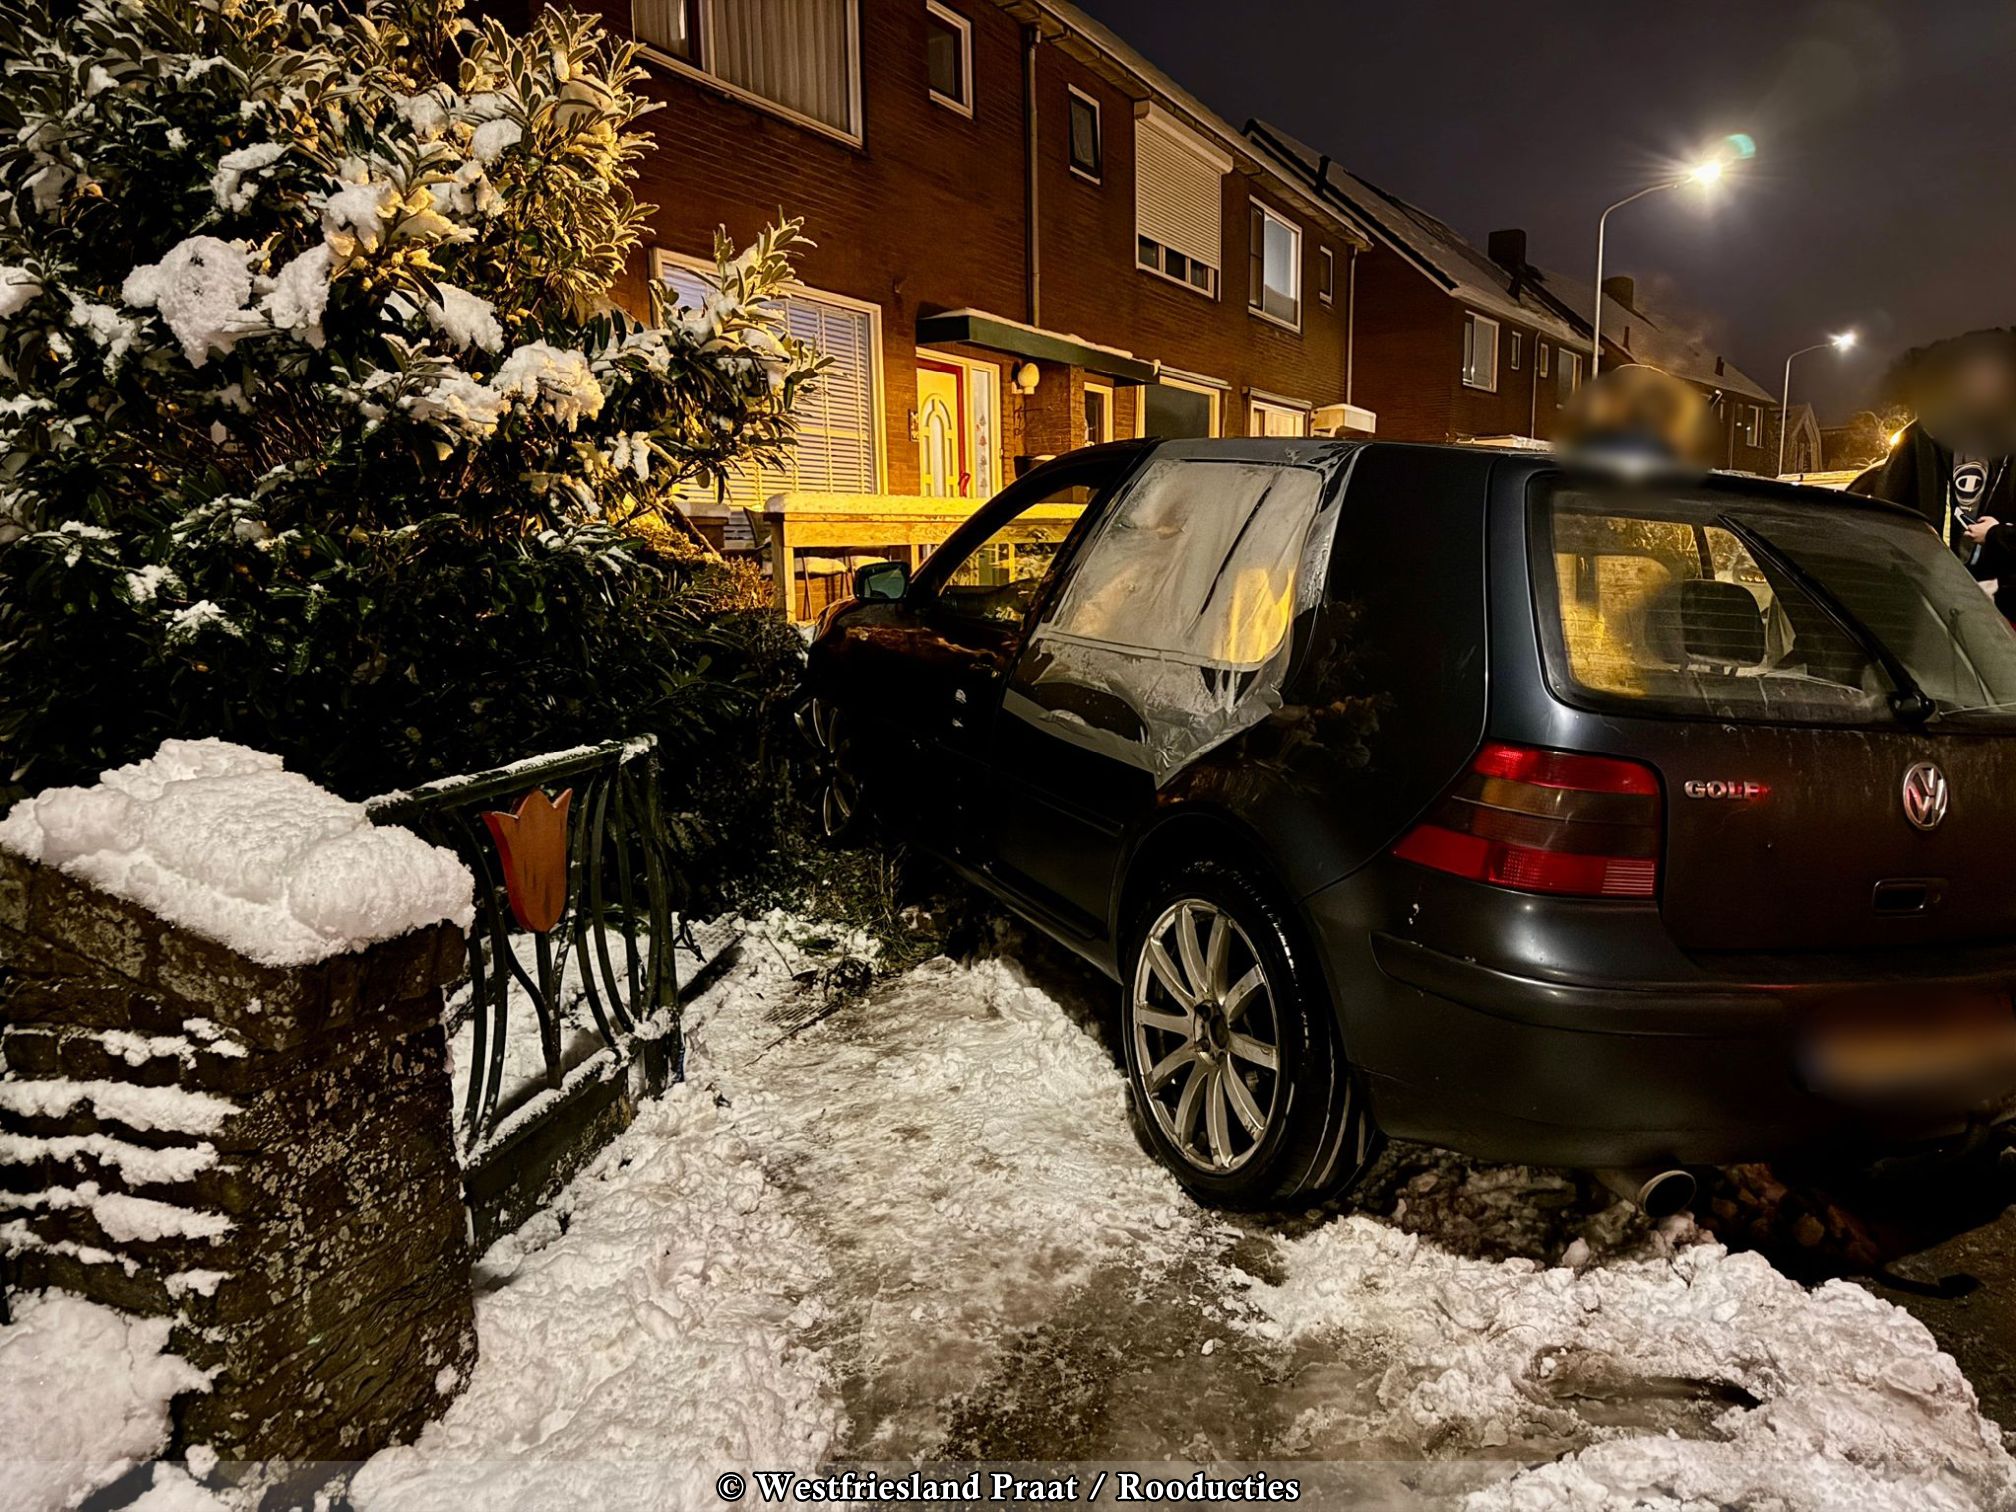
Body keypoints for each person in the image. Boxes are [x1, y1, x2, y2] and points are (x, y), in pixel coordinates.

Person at [1849, 329, 2016, 618]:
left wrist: (1997, 536)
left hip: (2004, 599)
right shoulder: (1922, 437)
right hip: (1938, 596)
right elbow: (1889, 506)